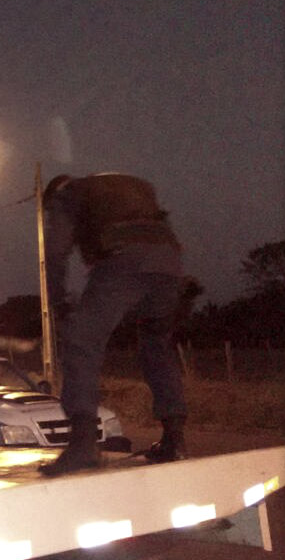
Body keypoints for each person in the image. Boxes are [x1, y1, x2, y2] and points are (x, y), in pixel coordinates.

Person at [37, 172, 188, 476]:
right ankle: (174, 440)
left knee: (81, 342)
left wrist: (58, 301)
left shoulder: (68, 194)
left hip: (124, 262)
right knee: (156, 345)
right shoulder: (132, 187)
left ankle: (83, 445)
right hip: (169, 267)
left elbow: (56, 250)